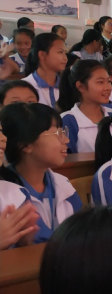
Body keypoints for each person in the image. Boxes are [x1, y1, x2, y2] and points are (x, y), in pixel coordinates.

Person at [0, 103, 82, 243]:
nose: (66, 140)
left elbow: (83, 233)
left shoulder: (63, 184)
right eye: (57, 133)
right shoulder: (10, 195)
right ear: (26, 145)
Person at [58, 60, 112, 153]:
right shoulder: (68, 120)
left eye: (108, 81)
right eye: (100, 82)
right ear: (81, 86)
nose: (108, 87)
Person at [23, 32, 67, 109]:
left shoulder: (66, 86)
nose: (65, 58)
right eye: (60, 52)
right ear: (42, 55)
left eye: (65, 53)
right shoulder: (25, 86)